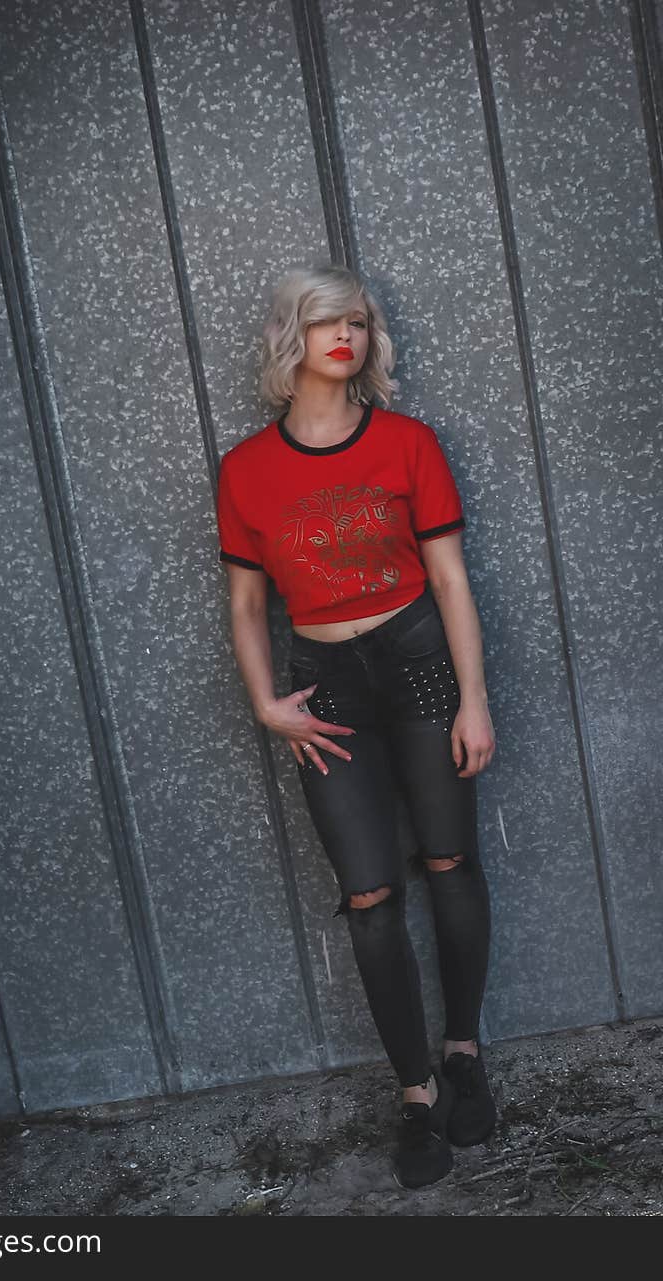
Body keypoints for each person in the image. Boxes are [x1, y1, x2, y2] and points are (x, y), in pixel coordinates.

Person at [215, 263, 497, 1189]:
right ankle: (415, 1094)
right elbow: (247, 605)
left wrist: (474, 699)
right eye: (330, 322)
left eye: (361, 324)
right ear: (293, 336)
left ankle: (463, 1053)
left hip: (418, 664)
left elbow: (451, 581)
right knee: (371, 897)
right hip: (325, 687)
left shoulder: (409, 444)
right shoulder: (247, 471)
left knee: (449, 860)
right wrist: (266, 701)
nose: (349, 338)